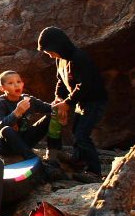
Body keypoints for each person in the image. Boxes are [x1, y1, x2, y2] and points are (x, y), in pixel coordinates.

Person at [37, 27, 107, 179]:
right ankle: (79, 160)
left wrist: (68, 103)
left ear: (58, 46)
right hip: (81, 102)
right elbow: (61, 82)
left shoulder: (79, 57)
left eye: (50, 51)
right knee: (76, 131)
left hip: (94, 101)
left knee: (82, 134)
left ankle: (94, 171)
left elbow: (85, 85)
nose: (50, 56)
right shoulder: (60, 60)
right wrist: (58, 98)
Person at [0, 70, 61, 162]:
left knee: (53, 116)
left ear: (23, 84)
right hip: (5, 145)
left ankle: (52, 156)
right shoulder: (0, 102)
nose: (16, 85)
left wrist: (59, 105)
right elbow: (0, 127)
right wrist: (17, 112)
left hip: (24, 140)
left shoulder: (28, 99)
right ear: (2, 88)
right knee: (6, 129)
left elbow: (50, 108)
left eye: (18, 82)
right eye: (11, 83)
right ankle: (32, 158)